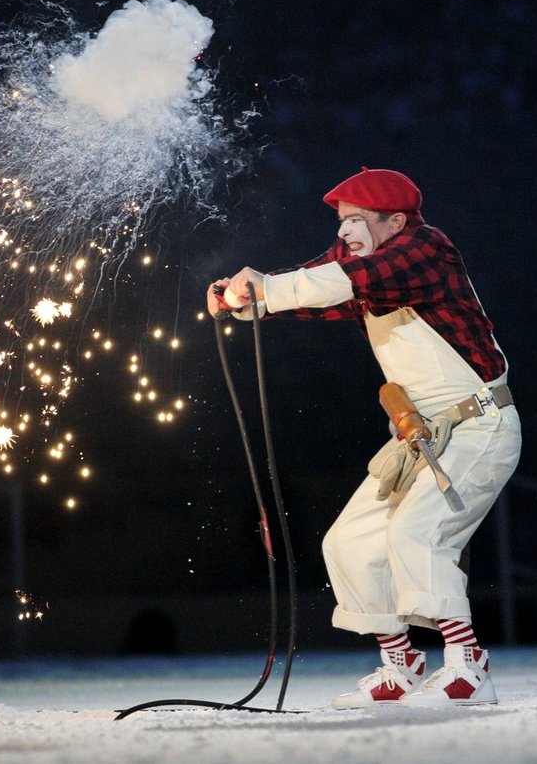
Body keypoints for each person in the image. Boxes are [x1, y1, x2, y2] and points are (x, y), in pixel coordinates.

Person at [208, 167, 521, 707]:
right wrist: (245, 301)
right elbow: (315, 286)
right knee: (348, 542)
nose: (345, 230)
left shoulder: (426, 248)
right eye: (341, 220)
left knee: (416, 534)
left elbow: (350, 281)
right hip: (422, 437)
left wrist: (265, 287)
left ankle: (469, 667)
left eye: (356, 220)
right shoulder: (358, 264)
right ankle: (400, 667)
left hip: (480, 426)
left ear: (394, 221)